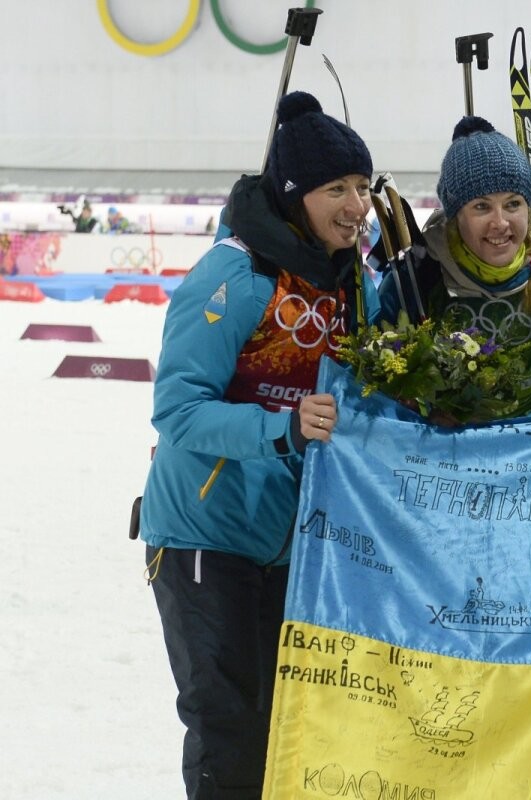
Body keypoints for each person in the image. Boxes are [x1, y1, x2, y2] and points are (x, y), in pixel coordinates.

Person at [138, 90, 379, 799]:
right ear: (295, 194)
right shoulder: (234, 274)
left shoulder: (350, 284)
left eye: (363, 187)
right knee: (228, 725)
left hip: (292, 542)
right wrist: (283, 426)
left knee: (288, 725)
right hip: (204, 535)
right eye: (337, 188)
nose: (355, 205)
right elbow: (177, 410)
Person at [377, 115, 531, 423]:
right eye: (481, 206)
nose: (500, 222)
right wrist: (419, 415)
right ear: (456, 217)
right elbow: (383, 390)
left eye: (513, 204)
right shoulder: (415, 280)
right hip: (450, 456)